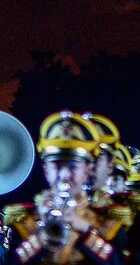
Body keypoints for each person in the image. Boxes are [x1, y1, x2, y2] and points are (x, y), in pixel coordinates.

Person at [11, 111, 117, 265]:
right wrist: (40, 236)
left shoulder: (107, 220)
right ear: (46, 170)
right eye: (56, 166)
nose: (64, 175)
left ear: (87, 170)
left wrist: (86, 232)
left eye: (73, 167)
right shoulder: (24, 219)